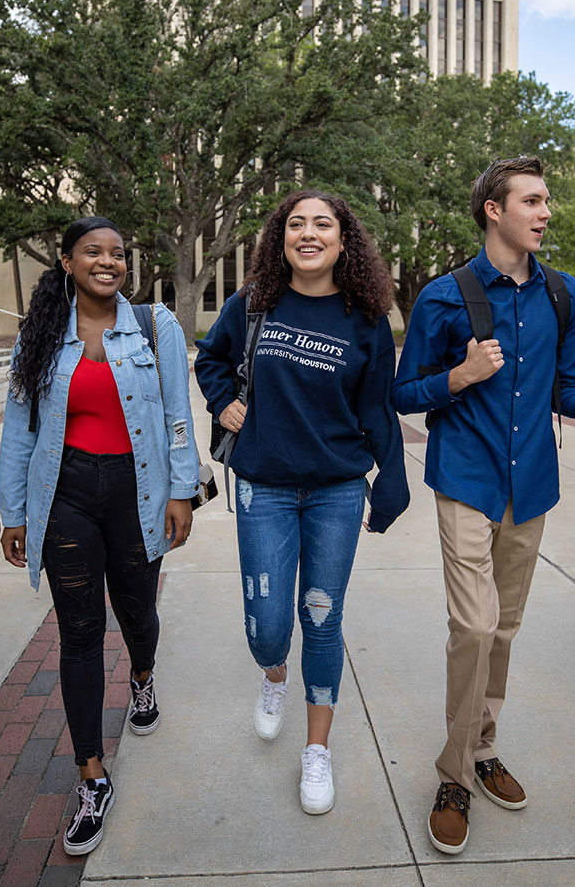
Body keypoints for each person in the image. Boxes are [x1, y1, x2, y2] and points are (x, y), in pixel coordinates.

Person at [391, 156, 575, 855]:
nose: (545, 211)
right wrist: (460, 374)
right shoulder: (443, 296)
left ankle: (482, 745)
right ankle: (454, 775)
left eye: (547, 200)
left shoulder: (565, 293)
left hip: (533, 487)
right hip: (466, 478)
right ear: (494, 209)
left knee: (505, 627)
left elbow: (561, 385)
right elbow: (403, 394)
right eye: (532, 200)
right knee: (475, 623)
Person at [194, 189, 409, 815]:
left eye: (323, 224)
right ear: (279, 238)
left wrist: (390, 479)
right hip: (264, 484)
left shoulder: (365, 320)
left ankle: (317, 750)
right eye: (296, 224)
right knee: (267, 628)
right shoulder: (252, 304)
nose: (308, 233)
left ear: (345, 241)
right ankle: (272, 676)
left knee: (321, 615)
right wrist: (221, 400)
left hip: (337, 491)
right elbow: (213, 359)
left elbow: (379, 409)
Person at [0, 216, 198, 856]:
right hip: (67, 495)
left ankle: (142, 674)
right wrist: (15, 511)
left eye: (117, 253)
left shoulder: (154, 326)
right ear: (66, 261)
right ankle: (91, 774)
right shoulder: (40, 334)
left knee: (138, 614)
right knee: (79, 632)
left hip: (138, 491)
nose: (108, 262)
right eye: (93, 252)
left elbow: (175, 416)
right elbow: (22, 430)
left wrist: (181, 490)